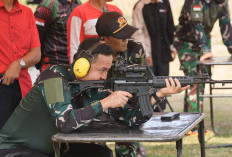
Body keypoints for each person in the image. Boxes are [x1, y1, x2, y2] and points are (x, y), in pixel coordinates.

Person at [0, 37, 188, 157]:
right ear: (82, 65)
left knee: (101, 154)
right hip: (14, 149)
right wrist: (105, 102)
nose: (105, 77)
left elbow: (131, 120)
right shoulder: (54, 76)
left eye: (108, 70)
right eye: (102, 70)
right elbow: (64, 122)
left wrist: (158, 94)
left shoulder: (93, 87)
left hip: (55, 149)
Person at [95, 11, 189, 157]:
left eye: (127, 33)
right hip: (99, 113)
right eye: (120, 36)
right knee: (97, 151)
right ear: (104, 39)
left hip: (127, 113)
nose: (126, 39)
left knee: (127, 152)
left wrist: (163, 91)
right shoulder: (91, 53)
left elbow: (146, 83)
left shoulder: (135, 49)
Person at [174, 0, 232, 112]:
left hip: (204, 42)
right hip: (186, 43)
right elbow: (196, 25)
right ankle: (195, 128)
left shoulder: (222, 1)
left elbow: (226, 24)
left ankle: (190, 121)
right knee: (195, 81)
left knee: (202, 80)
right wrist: (205, 49)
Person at [0, 0, 41, 129]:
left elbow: (36, 54)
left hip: (24, 85)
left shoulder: (27, 12)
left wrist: (18, 63)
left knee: (23, 136)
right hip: (2, 85)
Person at [132, 0, 177, 111]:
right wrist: (145, 54)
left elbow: (170, 25)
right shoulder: (140, 6)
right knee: (150, 87)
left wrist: (172, 46)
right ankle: (148, 114)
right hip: (148, 53)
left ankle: (162, 112)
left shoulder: (165, 3)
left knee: (164, 83)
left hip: (164, 52)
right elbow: (138, 33)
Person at [34, 0, 81, 71]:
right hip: (53, 66)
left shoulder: (77, 3)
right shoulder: (47, 6)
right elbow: (35, 39)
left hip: (76, 65)